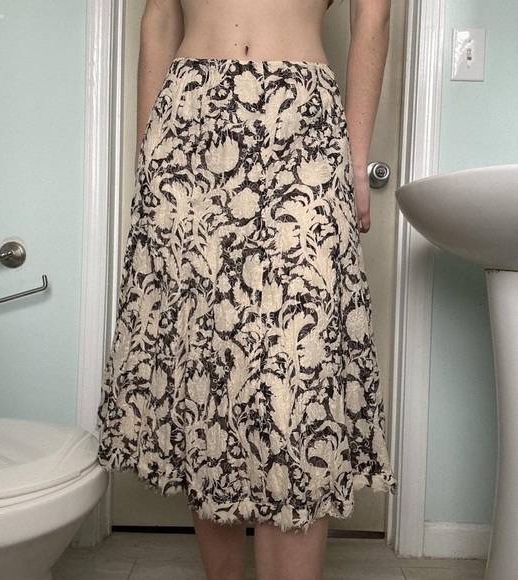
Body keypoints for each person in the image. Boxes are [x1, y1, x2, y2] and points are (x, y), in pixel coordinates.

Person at [97, 1, 395, 579]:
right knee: (209, 370)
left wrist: (355, 162)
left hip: (302, 128)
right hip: (188, 127)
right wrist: (147, 158)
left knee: (300, 386)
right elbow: (159, 16)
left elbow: (373, 16)